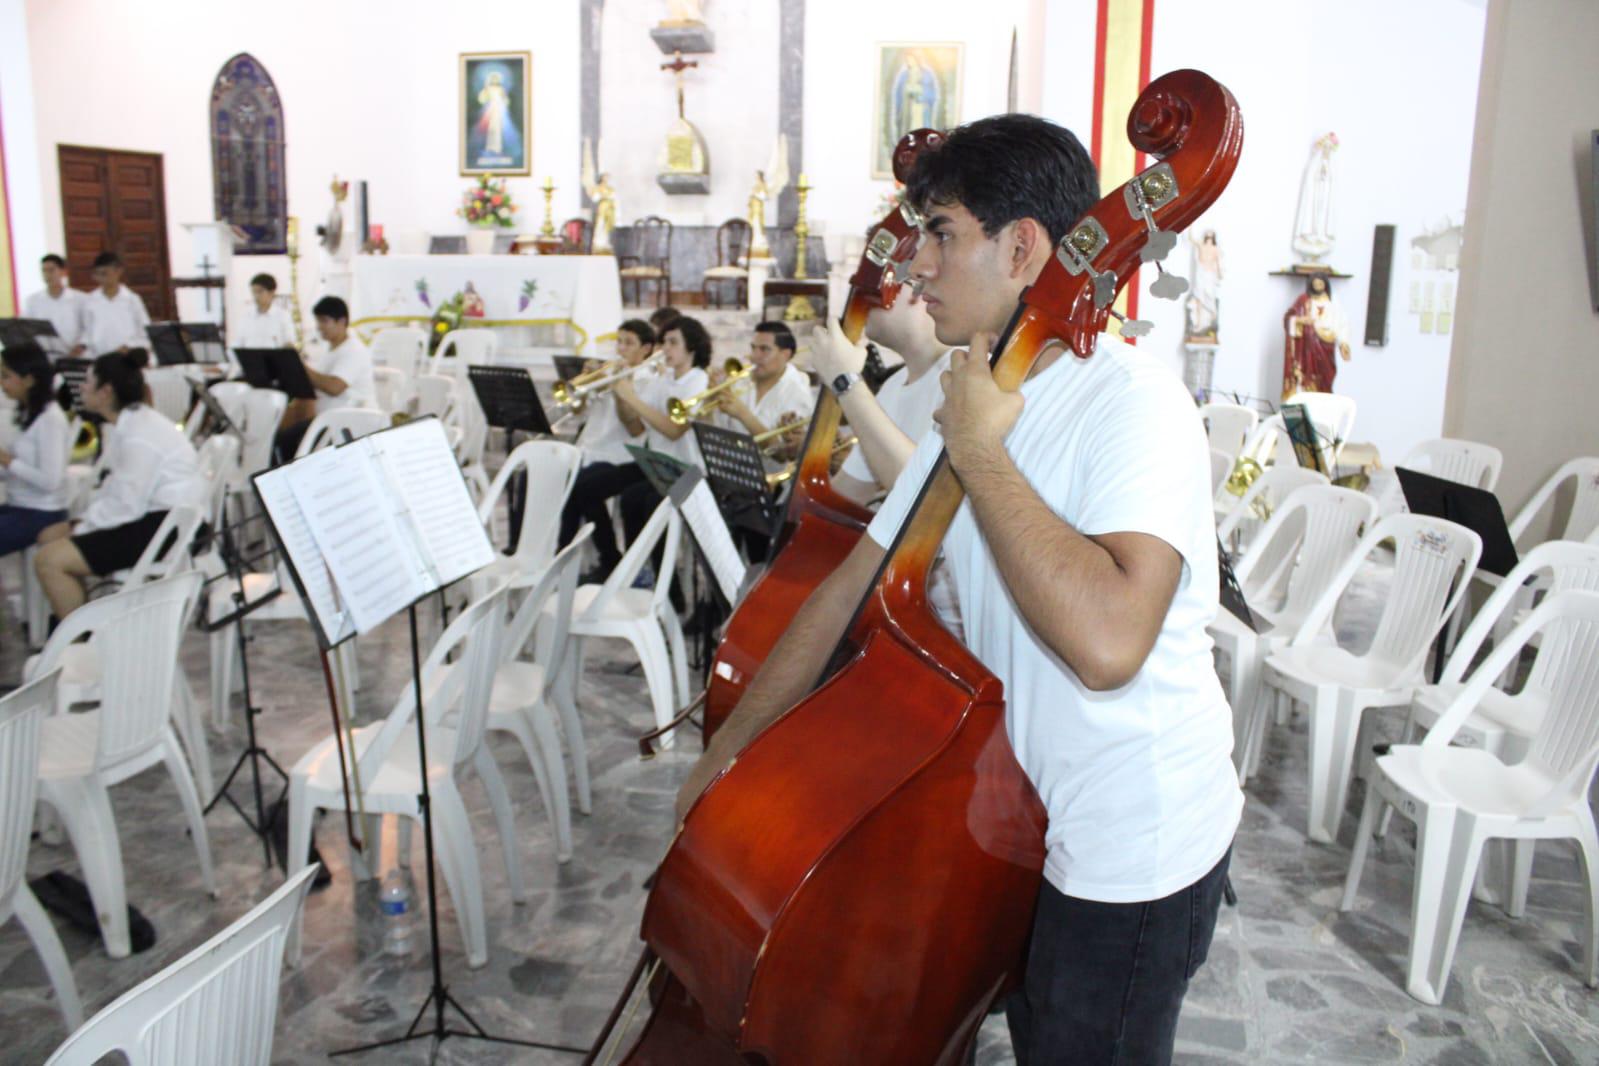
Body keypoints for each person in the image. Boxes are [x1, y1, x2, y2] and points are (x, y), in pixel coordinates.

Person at [677, 114, 1240, 1066]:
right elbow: (846, 590)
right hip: (1023, 817)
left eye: (940, 232)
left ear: (1023, 247)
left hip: (1133, 840)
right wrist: (724, 764)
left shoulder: (1132, 403)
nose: (914, 266)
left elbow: (1108, 646)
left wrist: (980, 449)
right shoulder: (972, 391)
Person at [34, 353, 205, 619]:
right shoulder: (131, 422)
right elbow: (117, 490)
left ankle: (76, 644)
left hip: (164, 527)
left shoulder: (139, 435)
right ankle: (77, 624)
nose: (81, 388)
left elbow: (126, 506)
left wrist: (84, 527)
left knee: (49, 560)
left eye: (88, 383)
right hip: (151, 516)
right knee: (49, 537)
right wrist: (85, 522)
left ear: (106, 392)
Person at [811, 286, 949, 507]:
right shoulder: (894, 384)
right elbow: (849, 491)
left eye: (881, 290)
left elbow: (925, 496)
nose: (865, 302)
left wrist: (845, 381)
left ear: (919, 291)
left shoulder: (966, 376)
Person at [557, 319, 655, 580]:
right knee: (532, 476)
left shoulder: (647, 379)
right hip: (587, 448)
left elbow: (634, 427)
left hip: (620, 454)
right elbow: (577, 411)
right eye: (619, 341)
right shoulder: (610, 372)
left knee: (578, 487)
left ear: (646, 349)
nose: (621, 348)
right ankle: (544, 551)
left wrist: (619, 387)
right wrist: (584, 385)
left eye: (629, 343)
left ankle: (575, 557)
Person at [610, 315, 710, 567]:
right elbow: (634, 425)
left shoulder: (699, 381)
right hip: (658, 466)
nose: (665, 348)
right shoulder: (663, 380)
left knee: (650, 504)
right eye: (664, 342)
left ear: (692, 347)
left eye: (673, 342)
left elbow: (674, 430)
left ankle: (669, 588)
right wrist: (620, 394)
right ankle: (634, 569)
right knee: (629, 497)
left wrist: (631, 398)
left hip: (688, 471)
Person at [275, 296, 376, 460]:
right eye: (317, 321)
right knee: (282, 436)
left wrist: (298, 365)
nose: (319, 327)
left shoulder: (354, 350)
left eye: (324, 321)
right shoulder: (328, 349)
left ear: (342, 321)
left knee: (288, 441)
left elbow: (335, 387)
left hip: (346, 420)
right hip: (325, 418)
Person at [0, 344, 70, 557]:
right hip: (18, 505)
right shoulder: (26, 412)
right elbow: (16, 469)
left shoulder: (50, 418)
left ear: (29, 379)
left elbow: (50, 481)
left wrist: (7, 460)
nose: (1, 383)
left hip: (42, 513)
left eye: (5, 375)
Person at [711, 322, 813, 448]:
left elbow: (783, 452)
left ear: (785, 354)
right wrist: (713, 397)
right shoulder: (741, 379)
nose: (754, 356)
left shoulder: (797, 392)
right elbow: (719, 433)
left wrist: (743, 414)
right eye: (753, 348)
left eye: (764, 349)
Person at [1281, 271, 1351, 398]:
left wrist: (1343, 343)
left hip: (1327, 345)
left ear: (1325, 284)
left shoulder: (1333, 301)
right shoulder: (1303, 300)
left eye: (1320, 283)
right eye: (1315, 283)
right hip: (1307, 347)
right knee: (1306, 380)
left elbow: (1342, 323)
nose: (1318, 286)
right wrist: (1300, 320)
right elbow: (1289, 318)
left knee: (1326, 377)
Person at [79, 252, 151, 357]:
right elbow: (87, 332)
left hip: (127, 356)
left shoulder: (132, 300)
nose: (100, 278)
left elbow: (144, 331)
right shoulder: (90, 301)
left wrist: (129, 346)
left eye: (105, 274)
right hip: (100, 357)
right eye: (97, 274)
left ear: (118, 271)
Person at [23, 254, 85, 357]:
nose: (47, 275)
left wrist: (80, 346)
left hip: (74, 355)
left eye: (51, 270)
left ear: (63, 272)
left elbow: (87, 328)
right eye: (44, 271)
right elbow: (26, 328)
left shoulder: (80, 299)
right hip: (43, 357)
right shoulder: (32, 301)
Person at [235, 272, 297, 349]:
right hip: (250, 359)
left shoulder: (283, 316)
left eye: (260, 291)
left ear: (272, 292)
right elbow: (238, 343)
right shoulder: (246, 315)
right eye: (253, 292)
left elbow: (289, 343)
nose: (256, 296)